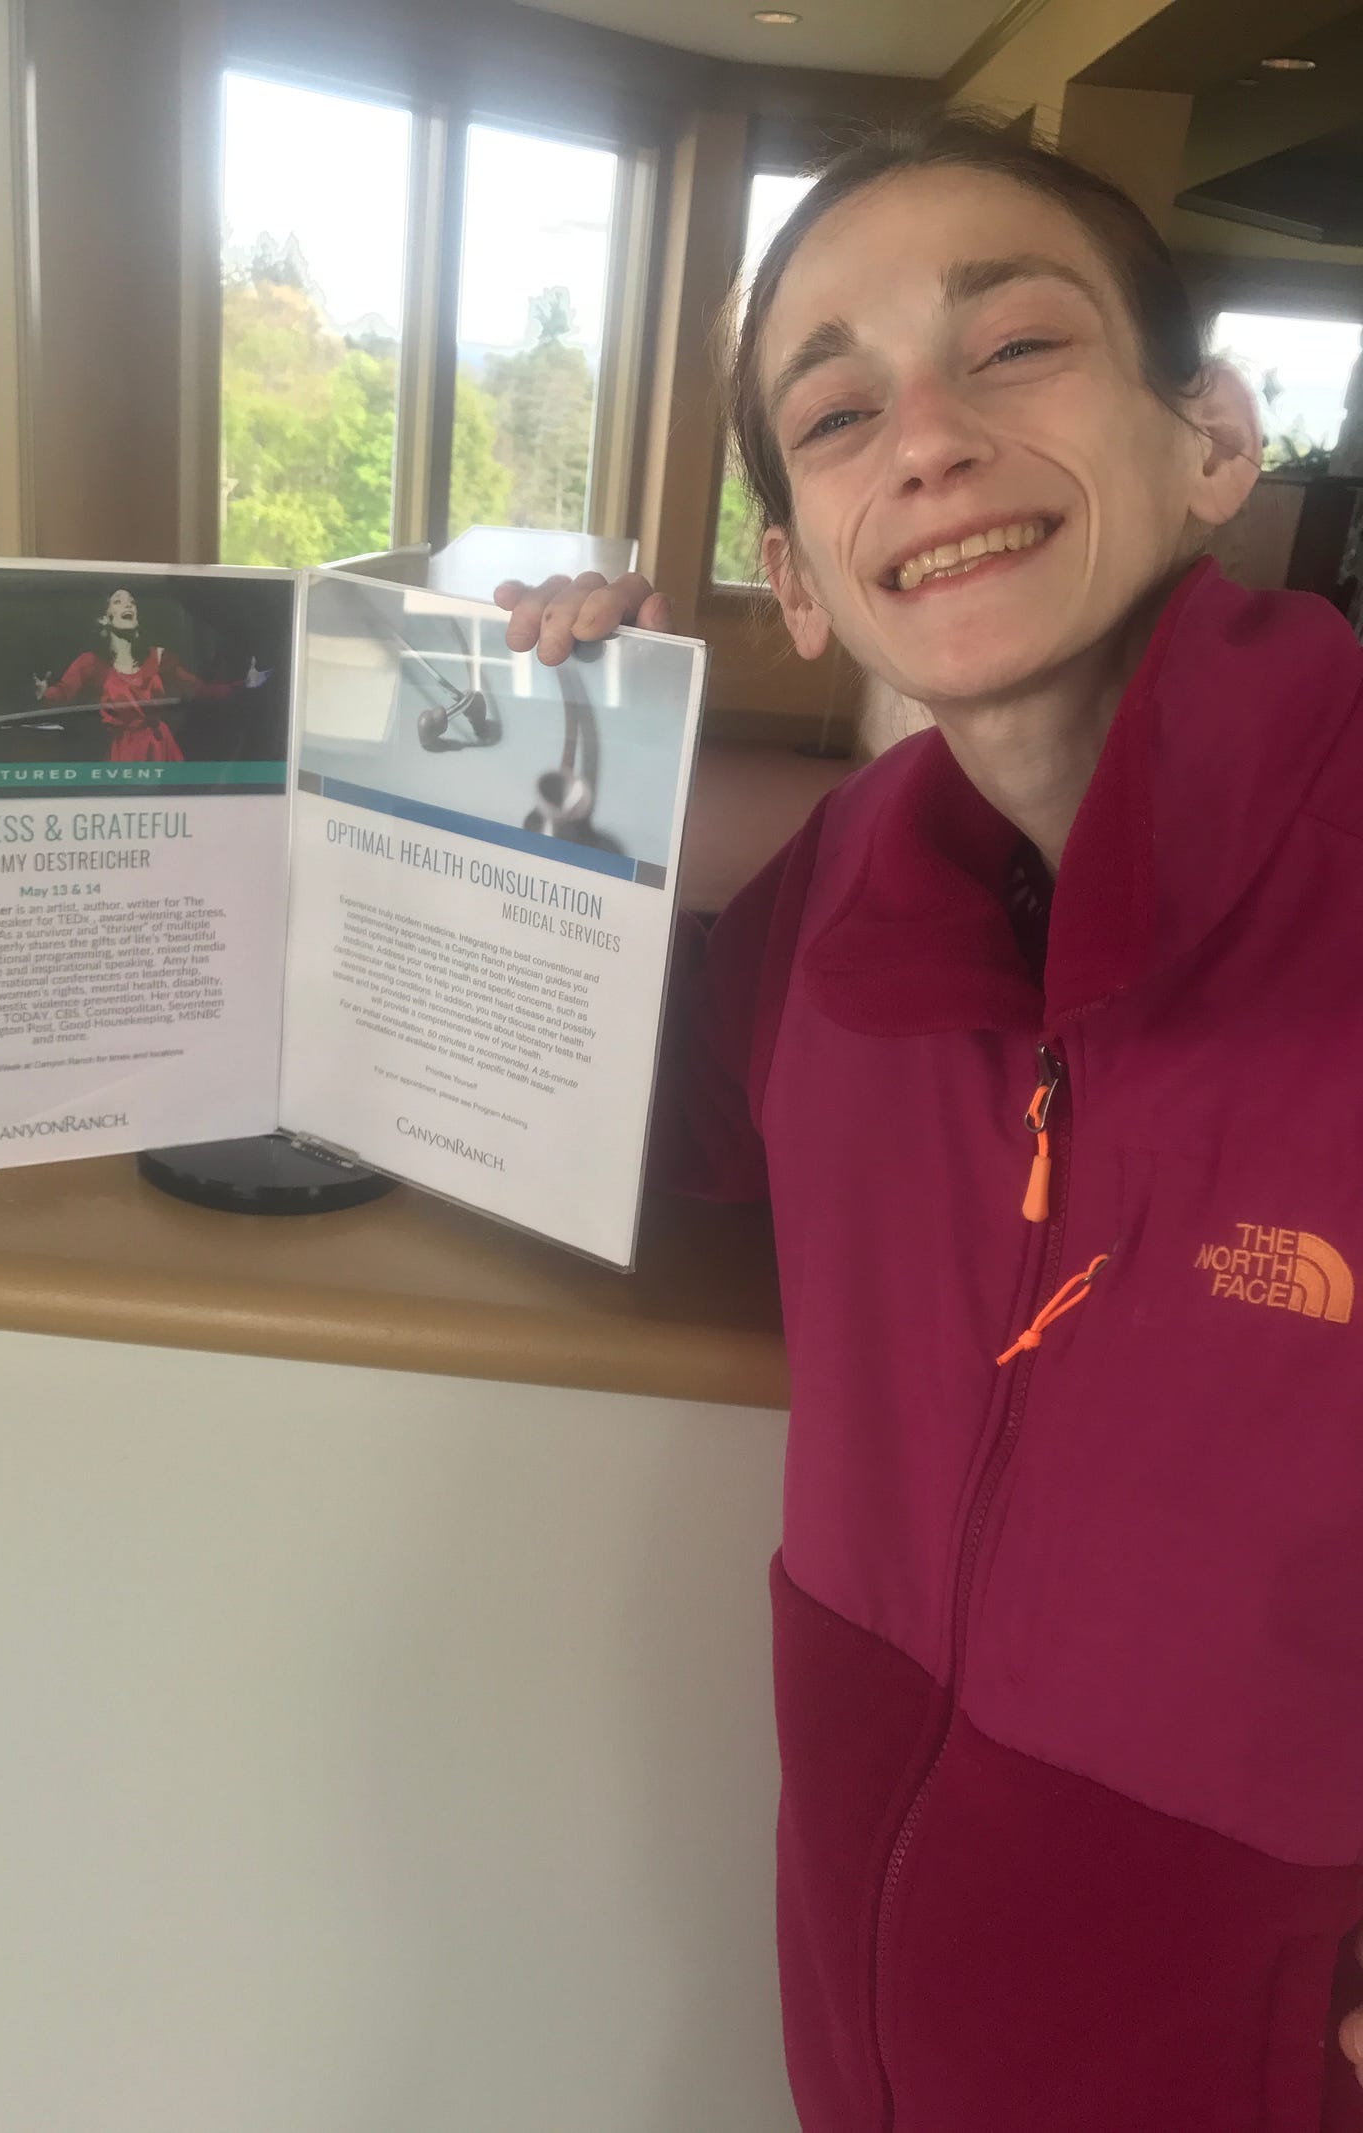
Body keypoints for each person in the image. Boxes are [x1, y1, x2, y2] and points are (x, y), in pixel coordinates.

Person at [497, 111, 1363, 2132]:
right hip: (874, 2032)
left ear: (1212, 439)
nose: (930, 440)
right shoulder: (853, 876)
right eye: (836, 411)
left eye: (1015, 346)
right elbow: (620, 1115)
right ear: (798, 580)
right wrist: (539, 765)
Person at [33, 586, 269, 763]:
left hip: (163, 752)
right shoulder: (90, 664)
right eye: (119, 602)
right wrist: (43, 693)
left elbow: (198, 690)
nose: (128, 606)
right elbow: (61, 694)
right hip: (123, 757)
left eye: (132, 603)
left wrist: (244, 684)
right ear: (105, 618)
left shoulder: (159, 658)